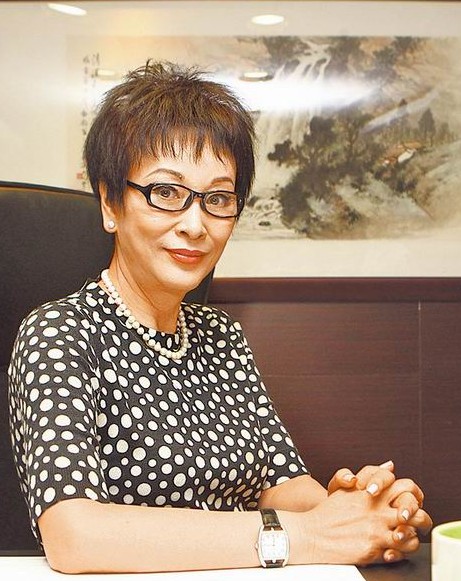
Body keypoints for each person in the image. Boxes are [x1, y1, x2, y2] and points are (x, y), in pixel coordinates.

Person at [8, 61, 431, 574]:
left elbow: (280, 483)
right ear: (110, 204)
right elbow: (75, 536)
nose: (195, 224)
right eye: (166, 193)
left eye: (217, 198)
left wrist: (358, 511)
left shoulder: (220, 333)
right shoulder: (58, 334)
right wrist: (304, 535)